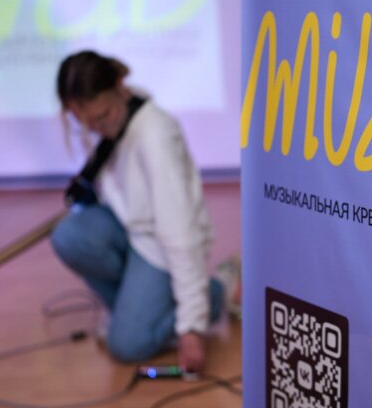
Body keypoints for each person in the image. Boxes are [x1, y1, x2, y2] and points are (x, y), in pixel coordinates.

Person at [50, 50, 238, 373]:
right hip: (131, 229)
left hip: (161, 244)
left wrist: (191, 325)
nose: (96, 128)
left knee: (127, 346)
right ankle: (137, 310)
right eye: (85, 122)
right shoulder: (113, 121)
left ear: (121, 87)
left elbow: (179, 232)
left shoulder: (155, 136)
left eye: (102, 116)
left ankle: (217, 290)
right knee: (68, 236)